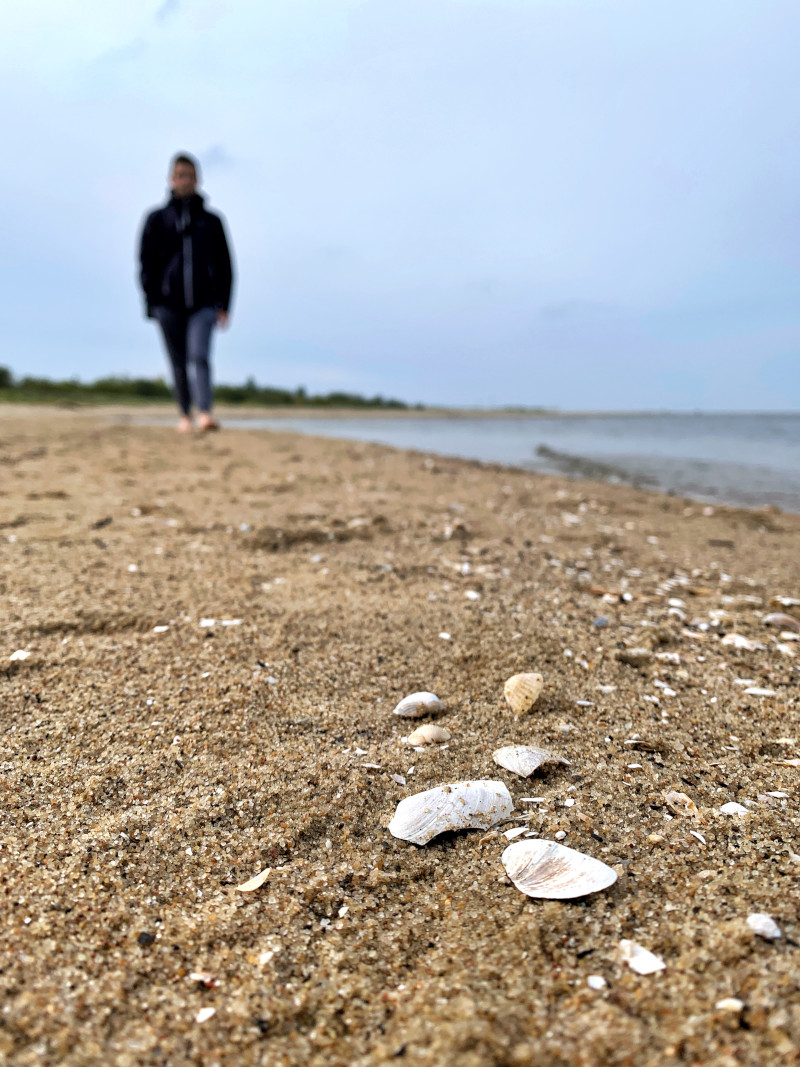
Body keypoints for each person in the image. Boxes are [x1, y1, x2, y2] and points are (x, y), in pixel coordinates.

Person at [138, 152, 234, 432]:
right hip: (167, 304)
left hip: (204, 303)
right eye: (180, 175)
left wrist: (225, 304)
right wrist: (151, 302)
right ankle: (184, 415)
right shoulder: (157, 219)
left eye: (190, 176)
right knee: (177, 361)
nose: (185, 181)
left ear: (198, 179)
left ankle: (205, 412)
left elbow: (226, 266)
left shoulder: (212, 222)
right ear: (171, 178)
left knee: (199, 354)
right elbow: (146, 263)